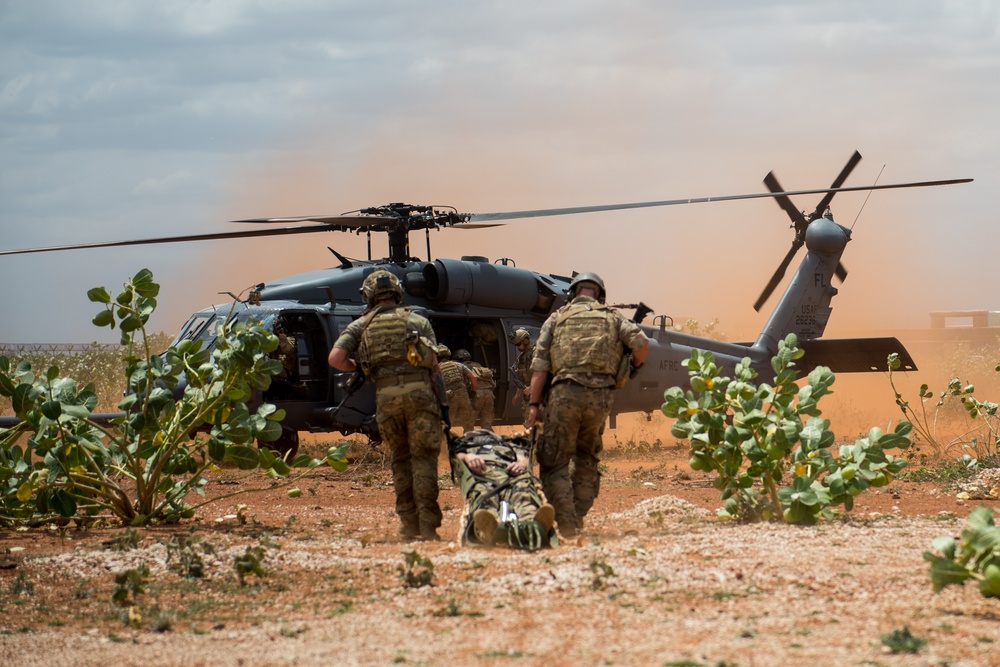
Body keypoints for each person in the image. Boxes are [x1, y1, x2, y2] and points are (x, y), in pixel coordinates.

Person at [527, 272, 649, 539]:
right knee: (586, 458)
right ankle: (577, 517)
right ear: (600, 294)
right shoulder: (613, 317)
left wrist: (534, 403)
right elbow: (641, 346)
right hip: (600, 398)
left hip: (564, 394)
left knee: (554, 461)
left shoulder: (557, 318)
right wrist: (630, 370)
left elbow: (540, 367)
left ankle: (566, 524)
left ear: (572, 293)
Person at [328, 270, 447, 541]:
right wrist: (444, 405)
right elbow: (434, 368)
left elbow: (335, 358)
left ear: (368, 296)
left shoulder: (362, 325)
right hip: (421, 397)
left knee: (400, 459)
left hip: (387, 399)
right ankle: (428, 527)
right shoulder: (417, 320)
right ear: (398, 293)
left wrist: (359, 367)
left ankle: (408, 526)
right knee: (424, 459)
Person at [449, 429, 556, 550]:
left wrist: (521, 464)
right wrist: (468, 457)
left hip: (512, 475)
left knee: (523, 493)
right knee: (485, 498)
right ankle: (488, 531)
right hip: (483, 476)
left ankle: (535, 525)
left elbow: (524, 459)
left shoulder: (509, 445)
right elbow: (457, 458)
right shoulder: (465, 448)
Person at [437, 345, 477, 432]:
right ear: (448, 354)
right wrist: (473, 391)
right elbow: (473, 377)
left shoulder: (437, 368)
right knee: (468, 424)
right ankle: (469, 442)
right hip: (463, 395)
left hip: (449, 397)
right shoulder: (458, 365)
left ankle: (447, 443)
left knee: (447, 424)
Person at [456, 348, 496, 431]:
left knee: (468, 425)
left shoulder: (462, 367)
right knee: (487, 425)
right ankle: (490, 441)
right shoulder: (478, 364)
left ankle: (469, 442)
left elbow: (463, 384)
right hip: (489, 394)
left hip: (477, 395)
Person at [509, 329, 535, 428]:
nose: (517, 347)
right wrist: (517, 395)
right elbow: (521, 378)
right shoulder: (521, 358)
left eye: (518, 344)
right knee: (529, 425)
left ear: (525, 341)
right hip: (528, 397)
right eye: (515, 345)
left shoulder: (536, 354)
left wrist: (531, 388)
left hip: (540, 396)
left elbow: (543, 373)